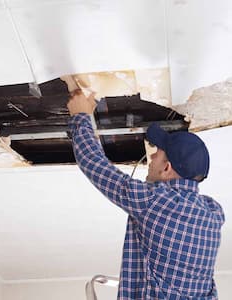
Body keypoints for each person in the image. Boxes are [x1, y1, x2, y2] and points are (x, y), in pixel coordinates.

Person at [67, 90, 225, 299]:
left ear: (167, 168)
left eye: (157, 153)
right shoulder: (212, 214)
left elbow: (95, 165)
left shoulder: (159, 202)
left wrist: (81, 116)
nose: (151, 155)